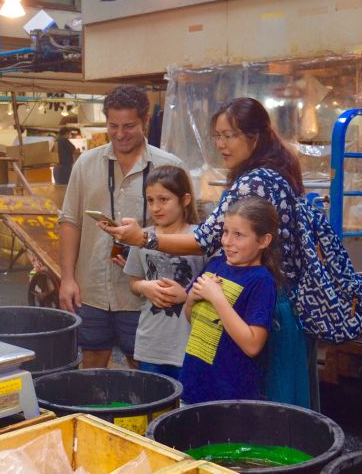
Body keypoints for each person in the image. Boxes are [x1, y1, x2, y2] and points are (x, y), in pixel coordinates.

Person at [104, 97, 315, 409]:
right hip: (274, 308)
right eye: (217, 136)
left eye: (229, 135)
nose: (221, 144)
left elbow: (204, 238)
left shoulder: (255, 182)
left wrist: (144, 239)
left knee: (261, 408)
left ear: (253, 137)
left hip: (265, 312)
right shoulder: (272, 173)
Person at [58, 85, 184, 369]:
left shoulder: (170, 167)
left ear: (145, 121)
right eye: (113, 126)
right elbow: (70, 222)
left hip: (144, 291)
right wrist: (67, 278)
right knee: (91, 360)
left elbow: (185, 230)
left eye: (129, 126)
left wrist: (144, 239)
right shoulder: (86, 164)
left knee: (142, 365)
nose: (120, 134)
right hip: (91, 288)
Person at [181, 197, 279, 404]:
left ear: (264, 241)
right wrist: (191, 299)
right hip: (193, 384)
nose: (227, 241)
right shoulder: (215, 264)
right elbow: (193, 319)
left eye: (239, 235)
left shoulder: (261, 281)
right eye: (226, 232)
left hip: (230, 396)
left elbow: (253, 345)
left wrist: (217, 298)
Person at [120, 165, 205, 380]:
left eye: (164, 199)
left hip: (190, 345)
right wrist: (144, 287)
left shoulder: (200, 239)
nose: (156, 207)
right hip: (151, 345)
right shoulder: (141, 237)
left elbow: (218, 287)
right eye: (150, 200)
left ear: (184, 199)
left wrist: (187, 296)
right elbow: (134, 281)